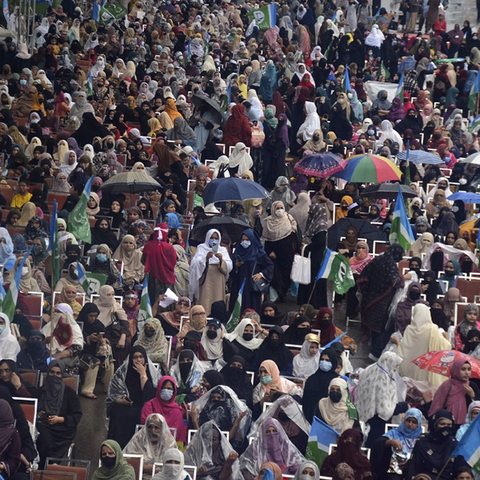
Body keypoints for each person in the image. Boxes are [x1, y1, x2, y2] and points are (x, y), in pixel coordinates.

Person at [358, 244, 405, 360]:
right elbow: (394, 281)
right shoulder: (391, 264)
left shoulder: (377, 259)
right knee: (381, 327)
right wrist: (404, 278)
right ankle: (376, 352)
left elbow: (363, 276)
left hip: (370, 298)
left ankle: (373, 350)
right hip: (382, 300)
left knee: (373, 326)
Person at [106, 346, 159, 448]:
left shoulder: (151, 374)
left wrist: (142, 374)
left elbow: (148, 397)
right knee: (117, 413)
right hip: (125, 405)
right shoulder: (122, 373)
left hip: (142, 405)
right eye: (135, 357)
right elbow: (112, 396)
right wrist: (122, 401)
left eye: (141, 357)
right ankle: (116, 449)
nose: (138, 360)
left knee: (139, 414)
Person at [354, 351, 407, 448]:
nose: (396, 368)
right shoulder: (383, 379)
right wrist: (403, 406)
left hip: (362, 418)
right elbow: (385, 411)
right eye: (396, 365)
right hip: (377, 424)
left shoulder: (369, 370)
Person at [35, 360, 82, 467]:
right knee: (41, 433)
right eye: (52, 372)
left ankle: (47, 465)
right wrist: (40, 414)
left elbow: (77, 415)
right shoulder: (40, 392)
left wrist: (60, 419)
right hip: (43, 426)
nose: (54, 376)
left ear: (62, 375)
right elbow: (33, 410)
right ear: (47, 373)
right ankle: (48, 465)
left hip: (62, 429)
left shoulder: (69, 393)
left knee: (44, 437)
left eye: (58, 373)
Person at [397, 304, 451, 387]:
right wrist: (446, 338)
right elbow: (446, 347)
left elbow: (403, 351)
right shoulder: (433, 329)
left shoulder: (409, 329)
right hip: (427, 370)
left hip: (411, 369)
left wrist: (397, 343)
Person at [406, 410, 467, 480]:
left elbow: (461, 470)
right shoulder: (422, 443)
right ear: (435, 425)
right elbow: (413, 468)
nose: (446, 428)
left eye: (449, 425)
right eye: (442, 424)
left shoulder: (453, 444)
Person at [239, 417, 305, 479]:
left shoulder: (286, 447)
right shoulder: (255, 447)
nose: (272, 434)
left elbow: (298, 468)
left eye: (274, 431)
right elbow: (244, 467)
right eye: (268, 432)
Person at [190, 385, 251, 450]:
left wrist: (237, 422)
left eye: (219, 398)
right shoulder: (204, 413)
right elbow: (200, 437)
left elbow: (228, 438)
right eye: (213, 398)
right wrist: (194, 420)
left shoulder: (231, 417)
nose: (216, 400)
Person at [229, 228, 274, 313]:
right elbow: (231, 271)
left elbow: (270, 266)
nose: (244, 242)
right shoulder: (238, 252)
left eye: (247, 239)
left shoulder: (259, 253)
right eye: (242, 240)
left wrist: (261, 274)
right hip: (238, 286)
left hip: (252, 288)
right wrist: (236, 266)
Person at [371, 408, 423, 479]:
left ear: (418, 424)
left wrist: (409, 464)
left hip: (414, 470)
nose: (410, 424)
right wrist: (390, 442)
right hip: (394, 470)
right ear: (404, 420)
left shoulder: (422, 438)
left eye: (414, 422)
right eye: (408, 420)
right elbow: (377, 445)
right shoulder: (394, 433)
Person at [189, 229, 232, 315]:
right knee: (204, 301)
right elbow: (194, 264)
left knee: (217, 300)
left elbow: (229, 266)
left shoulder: (223, 250)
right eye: (212, 238)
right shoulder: (201, 248)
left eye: (216, 238)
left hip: (218, 279)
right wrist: (205, 258)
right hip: (205, 278)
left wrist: (221, 260)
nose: (214, 240)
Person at [262, 200, 298, 302]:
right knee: (275, 276)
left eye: (281, 208)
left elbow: (294, 237)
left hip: (287, 255)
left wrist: (297, 250)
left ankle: (282, 295)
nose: (280, 210)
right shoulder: (268, 222)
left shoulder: (289, 219)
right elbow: (267, 241)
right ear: (273, 209)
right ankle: (274, 297)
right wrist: (269, 252)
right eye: (277, 208)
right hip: (275, 256)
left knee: (286, 276)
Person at [78, 303, 114, 400]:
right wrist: (88, 338)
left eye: (95, 316)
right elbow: (75, 341)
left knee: (109, 361)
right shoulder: (79, 324)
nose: (93, 319)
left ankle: (109, 389)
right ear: (85, 314)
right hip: (81, 353)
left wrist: (103, 340)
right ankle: (87, 390)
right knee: (94, 362)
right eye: (90, 316)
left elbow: (108, 338)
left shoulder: (98, 325)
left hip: (97, 352)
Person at [429, 358, 480, 425]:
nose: (467, 372)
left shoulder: (472, 385)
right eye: (463, 369)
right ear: (456, 370)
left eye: (469, 369)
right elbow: (437, 405)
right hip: (447, 423)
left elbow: (477, 407)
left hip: (467, 425)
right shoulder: (447, 385)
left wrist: (472, 396)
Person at [141, 375, 187, 445]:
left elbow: (176, 431)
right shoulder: (149, 405)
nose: (166, 391)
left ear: (174, 391)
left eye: (169, 389)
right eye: (163, 388)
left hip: (170, 445)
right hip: (150, 444)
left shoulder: (176, 410)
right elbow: (146, 424)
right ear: (159, 389)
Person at [41, 303, 84, 375]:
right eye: (55, 311)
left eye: (59, 312)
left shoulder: (74, 328)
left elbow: (77, 347)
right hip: (47, 356)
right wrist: (45, 342)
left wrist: (58, 356)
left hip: (65, 359)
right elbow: (40, 342)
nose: (56, 314)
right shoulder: (48, 326)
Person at [95, 285, 131, 366]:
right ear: (102, 295)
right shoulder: (95, 306)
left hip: (114, 334)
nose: (111, 297)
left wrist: (123, 337)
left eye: (112, 294)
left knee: (126, 342)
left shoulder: (116, 306)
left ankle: (120, 371)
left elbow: (124, 323)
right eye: (108, 295)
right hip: (100, 335)